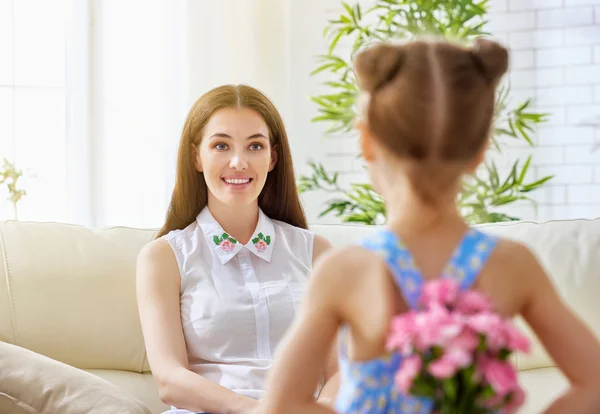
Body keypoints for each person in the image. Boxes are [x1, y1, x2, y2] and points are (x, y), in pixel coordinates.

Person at [262, 38, 600, 414]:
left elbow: (280, 406)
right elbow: (595, 384)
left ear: (367, 141)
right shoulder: (512, 264)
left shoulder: (345, 271)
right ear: (481, 150)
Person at [136, 84, 338, 414]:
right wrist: (253, 410)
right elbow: (170, 379)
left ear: (272, 158)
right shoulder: (163, 258)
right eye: (220, 145)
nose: (238, 162)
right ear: (196, 157)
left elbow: (340, 369)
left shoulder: (316, 253)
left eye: (254, 146)